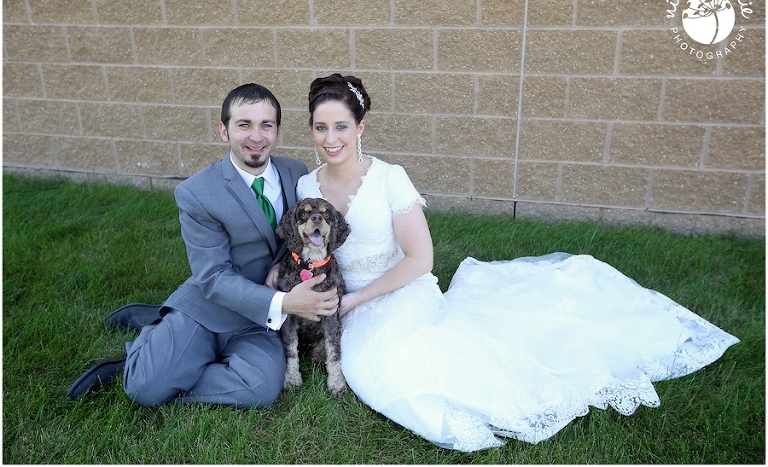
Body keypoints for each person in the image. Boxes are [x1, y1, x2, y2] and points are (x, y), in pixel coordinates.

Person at [295, 73, 740, 451]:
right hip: (336, 299)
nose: (330, 139)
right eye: (320, 128)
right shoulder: (304, 187)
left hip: (395, 291)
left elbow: (421, 260)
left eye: (341, 127)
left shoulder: (389, 178)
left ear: (361, 127)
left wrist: (353, 303)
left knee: (392, 372)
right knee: (358, 367)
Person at [67, 83, 340, 408]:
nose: (256, 136)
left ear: (278, 131)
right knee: (145, 389)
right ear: (223, 131)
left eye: (266, 125)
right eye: (244, 125)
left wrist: (283, 264)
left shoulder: (295, 172)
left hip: (260, 323)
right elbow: (212, 278)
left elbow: (297, 233)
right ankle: (139, 363)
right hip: (211, 307)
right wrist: (285, 302)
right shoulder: (196, 192)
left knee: (262, 389)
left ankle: (170, 359)